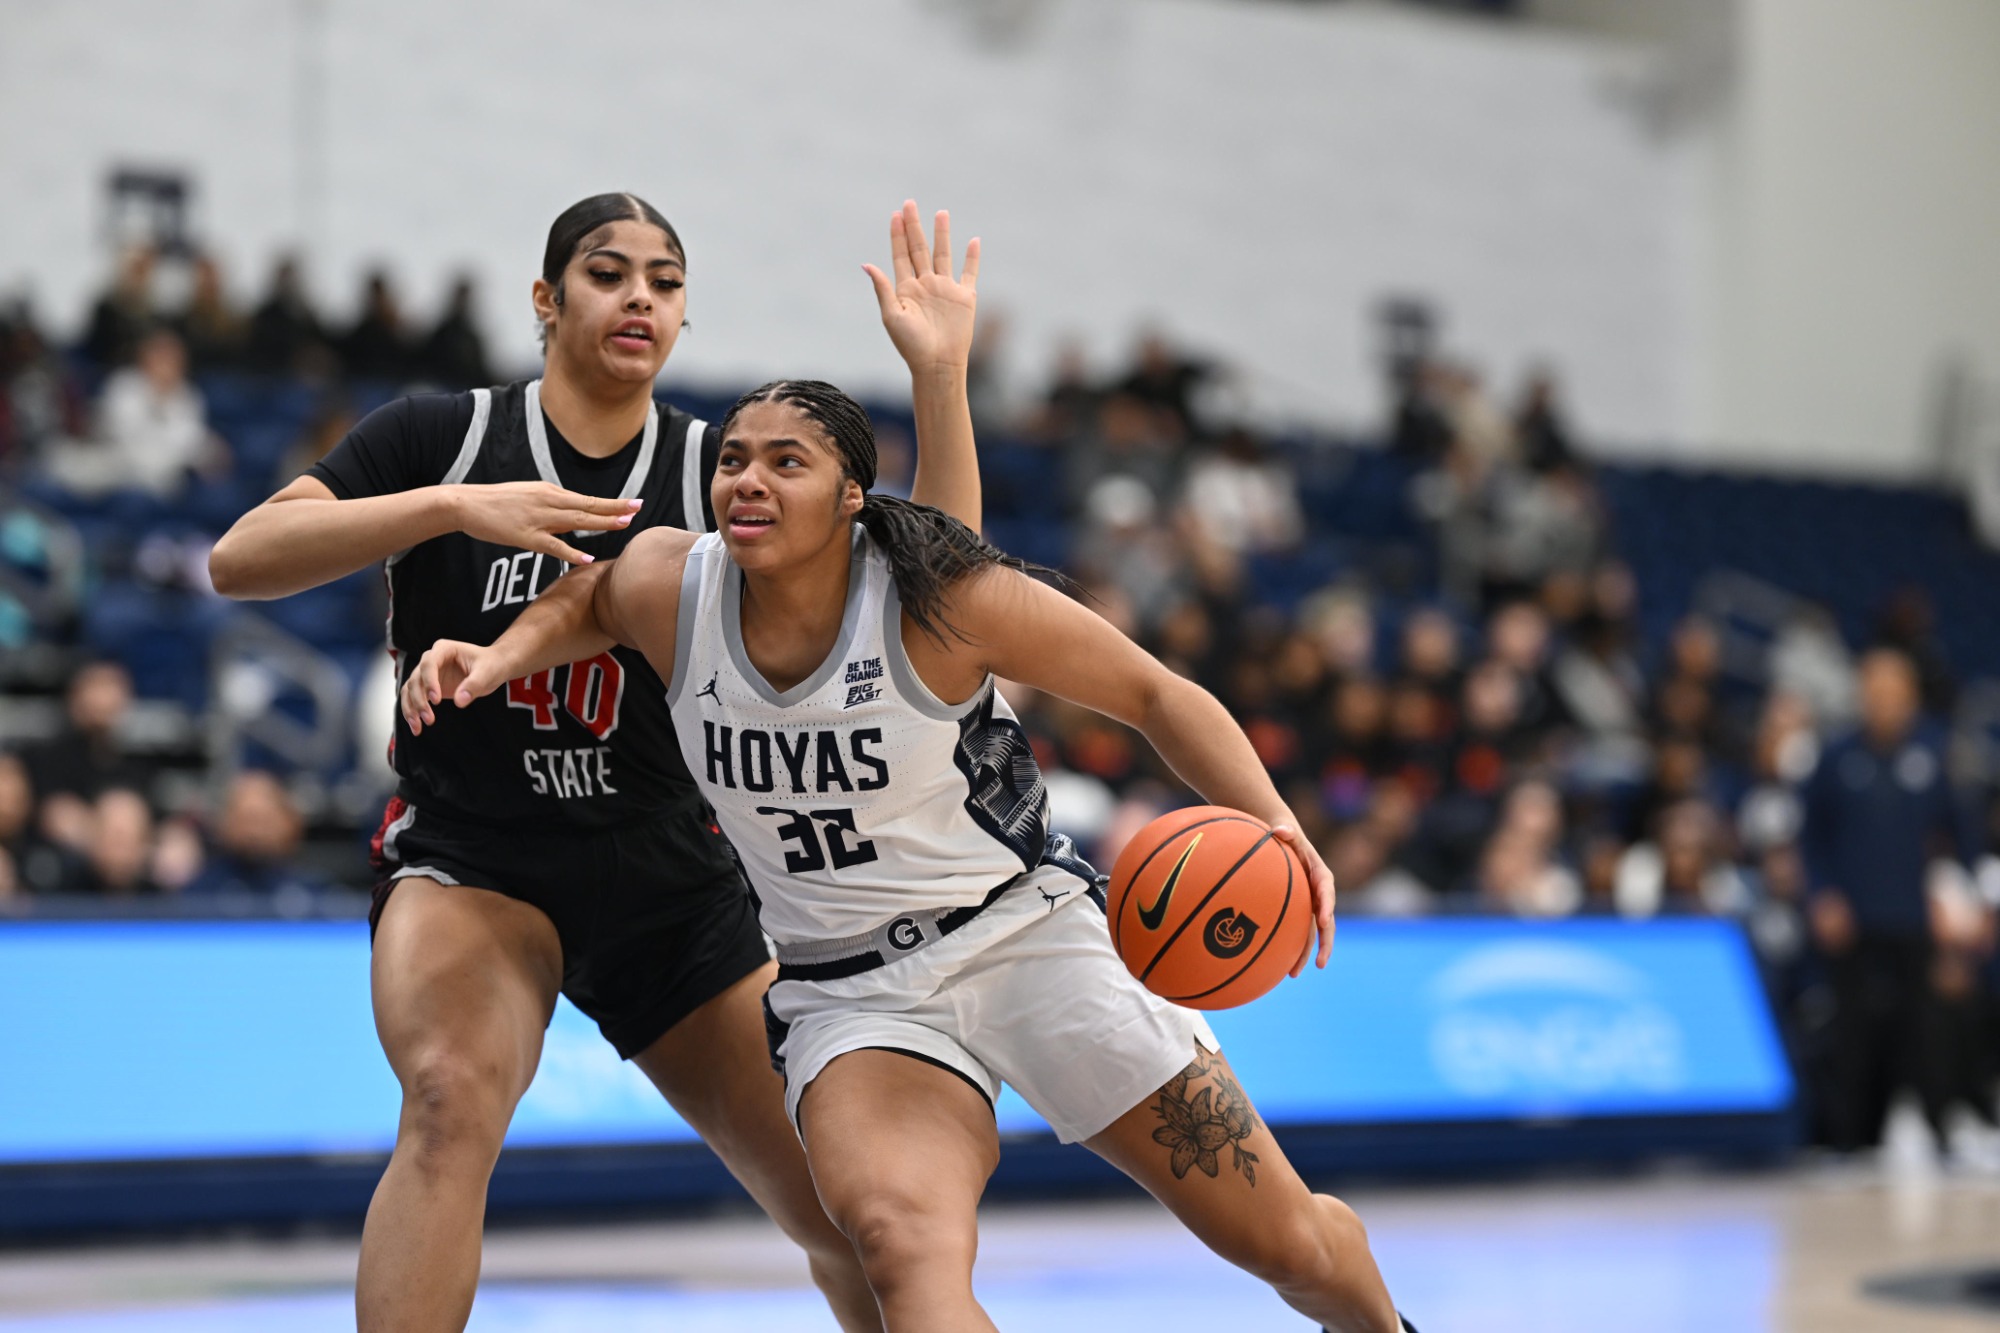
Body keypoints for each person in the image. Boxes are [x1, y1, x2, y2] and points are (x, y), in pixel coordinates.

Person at [405, 379, 1413, 1333]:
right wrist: (493, 658)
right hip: (853, 996)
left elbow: (1155, 694)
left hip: (1028, 938)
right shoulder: (676, 584)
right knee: (898, 1247)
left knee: (1285, 1244)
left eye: (784, 462)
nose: (747, 479)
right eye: (732, 460)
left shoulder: (938, 600)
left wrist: (1276, 822)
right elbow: (586, 603)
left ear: (850, 495)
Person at [209, 193, 982, 1333]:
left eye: (664, 282)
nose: (638, 299)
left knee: (842, 1207)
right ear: (545, 299)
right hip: (478, 858)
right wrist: (444, 508)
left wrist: (938, 379)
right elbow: (239, 559)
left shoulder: (718, 472)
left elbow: (933, 592)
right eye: (608, 274)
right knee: (445, 1101)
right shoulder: (444, 436)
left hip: (670, 872)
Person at [1802, 647, 1984, 1154]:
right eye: (1875, 693)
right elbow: (1812, 837)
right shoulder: (1837, 758)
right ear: (1861, 695)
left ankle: (1942, 1131)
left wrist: (1961, 904)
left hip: (1915, 919)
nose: (1884, 704)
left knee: (1927, 1028)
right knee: (1853, 1032)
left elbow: (1961, 838)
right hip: (1853, 919)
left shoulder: (1932, 754)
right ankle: (1850, 1141)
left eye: (1894, 694)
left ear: (1911, 698)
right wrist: (1822, 896)